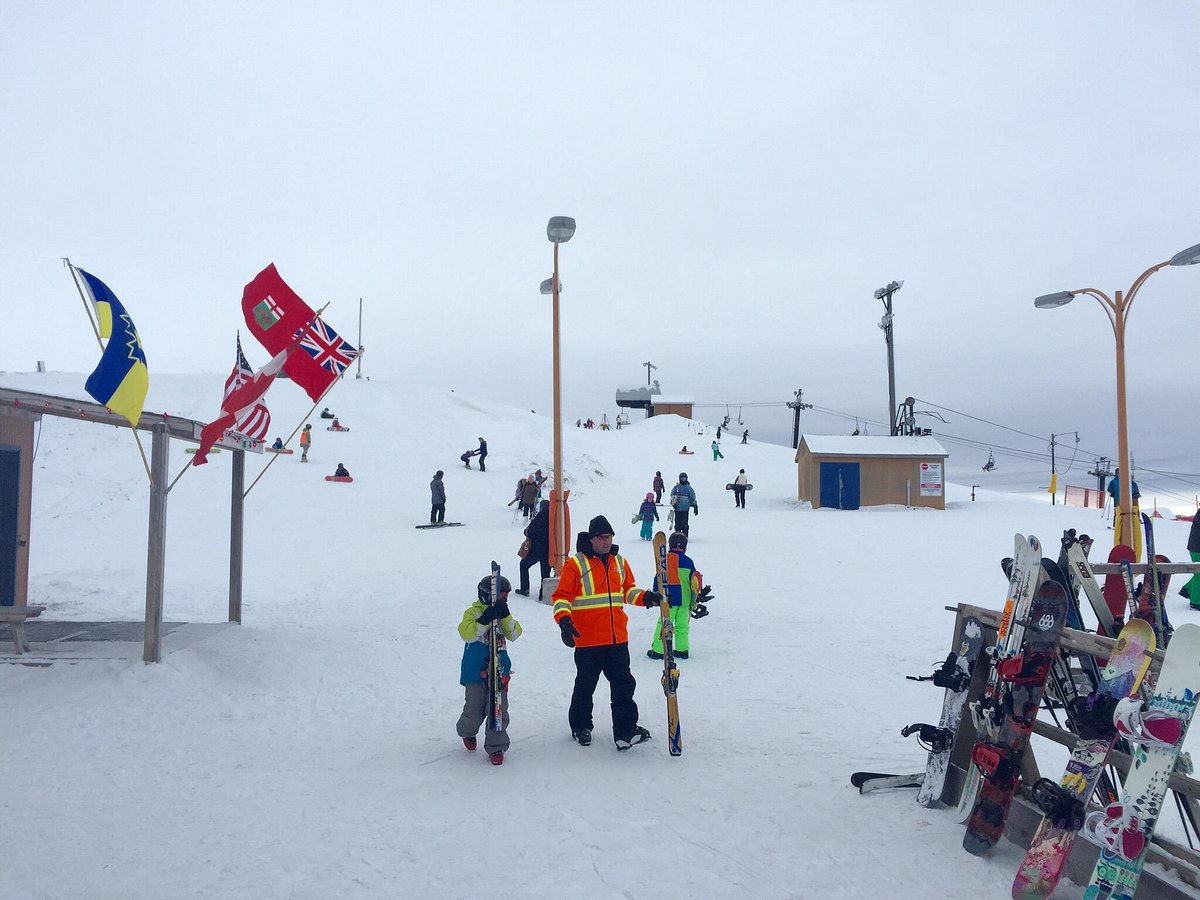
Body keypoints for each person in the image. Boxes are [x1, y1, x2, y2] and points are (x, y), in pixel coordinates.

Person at [552, 515, 663, 749]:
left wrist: (646, 598)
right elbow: (562, 597)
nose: (606, 541)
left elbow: (628, 591)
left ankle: (625, 731)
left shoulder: (619, 562)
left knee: (624, 685)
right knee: (585, 686)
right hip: (588, 640)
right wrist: (564, 621)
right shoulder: (576, 564)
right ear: (591, 538)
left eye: (609, 536)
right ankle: (581, 727)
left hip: (616, 639)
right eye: (602, 537)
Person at [456, 574, 522, 765]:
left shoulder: (501, 613)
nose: (504, 600)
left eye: (506, 598)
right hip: (475, 672)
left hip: (499, 671)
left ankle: (496, 746)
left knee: (498, 711)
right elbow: (466, 633)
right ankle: (467, 730)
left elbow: (515, 634)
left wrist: (506, 615)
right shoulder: (473, 613)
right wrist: (485, 619)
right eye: (502, 597)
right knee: (474, 709)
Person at [648, 531, 713, 661]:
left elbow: (658, 579)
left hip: (668, 600)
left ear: (670, 545)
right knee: (682, 626)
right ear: (685, 546)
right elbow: (694, 581)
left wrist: (656, 593)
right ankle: (682, 650)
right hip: (685, 602)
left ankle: (659, 651)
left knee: (664, 625)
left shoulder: (663, 559)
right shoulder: (689, 562)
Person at [517, 499, 551, 597]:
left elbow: (531, 531)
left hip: (537, 549)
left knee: (523, 564)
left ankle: (525, 589)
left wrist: (527, 530)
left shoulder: (540, 516)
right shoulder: (554, 517)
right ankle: (543, 594)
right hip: (549, 550)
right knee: (545, 573)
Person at [1107, 467, 1143, 559]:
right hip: (1119, 499)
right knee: (1118, 513)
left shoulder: (1128, 481)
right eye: (1118, 472)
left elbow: (1134, 488)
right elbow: (1109, 488)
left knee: (1129, 511)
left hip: (1127, 499)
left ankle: (1134, 521)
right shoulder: (1115, 481)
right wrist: (1113, 492)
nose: (1119, 474)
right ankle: (1117, 525)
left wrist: (1135, 494)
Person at [669, 473, 698, 537]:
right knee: (677, 522)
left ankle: (684, 535)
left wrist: (695, 506)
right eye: (682, 478)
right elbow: (672, 496)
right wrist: (673, 503)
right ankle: (677, 534)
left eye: (684, 478)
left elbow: (693, 497)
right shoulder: (677, 488)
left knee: (684, 522)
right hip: (677, 508)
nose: (683, 479)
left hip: (685, 509)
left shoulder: (689, 488)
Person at [1183, 511, 1200, 609]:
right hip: (1198, 549)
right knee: (1199, 573)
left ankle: (1188, 590)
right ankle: (1196, 602)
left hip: (1195, 547)